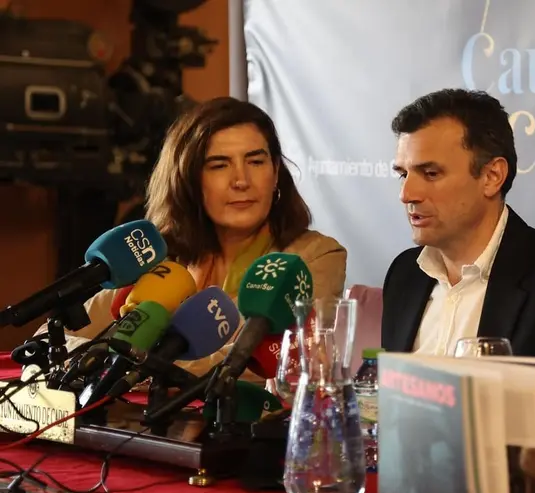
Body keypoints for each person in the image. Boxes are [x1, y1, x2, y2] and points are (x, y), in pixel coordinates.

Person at [38, 97, 347, 380]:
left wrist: (120, 364)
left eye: (256, 162)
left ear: (276, 172)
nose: (241, 181)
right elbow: (49, 341)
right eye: (219, 165)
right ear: (188, 180)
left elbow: (250, 364)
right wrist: (109, 360)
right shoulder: (156, 256)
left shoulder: (314, 256)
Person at [381, 89, 535, 405]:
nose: (407, 194)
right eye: (403, 174)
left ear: (492, 176)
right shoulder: (405, 274)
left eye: (430, 173)